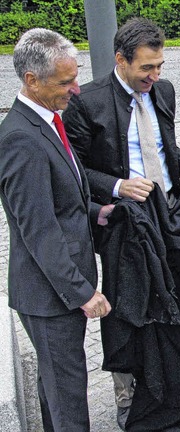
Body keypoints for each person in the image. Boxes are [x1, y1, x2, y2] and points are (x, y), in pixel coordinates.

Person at [62, 17, 180, 430]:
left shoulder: (162, 91)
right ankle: (128, 388)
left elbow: (167, 146)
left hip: (167, 211)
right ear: (120, 59)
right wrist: (116, 185)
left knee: (176, 297)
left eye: (160, 66)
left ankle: (174, 379)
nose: (155, 75)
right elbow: (71, 169)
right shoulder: (87, 102)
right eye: (146, 67)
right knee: (130, 306)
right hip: (125, 222)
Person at [0, 28, 114, 431]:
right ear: (31, 80)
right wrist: (83, 293)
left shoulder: (45, 121)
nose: (76, 89)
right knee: (67, 392)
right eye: (65, 81)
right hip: (51, 296)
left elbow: (63, 197)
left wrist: (97, 212)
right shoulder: (20, 139)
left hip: (53, 292)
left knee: (56, 386)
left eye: (75, 76)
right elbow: (39, 230)